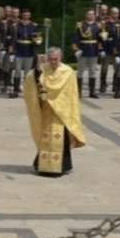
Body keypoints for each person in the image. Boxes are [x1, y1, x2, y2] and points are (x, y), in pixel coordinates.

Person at [24, 47, 86, 177]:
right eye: (51, 59)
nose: (53, 62)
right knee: (45, 137)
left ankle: (62, 166)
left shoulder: (67, 71)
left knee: (60, 139)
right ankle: (43, 166)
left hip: (61, 111)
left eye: (55, 59)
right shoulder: (43, 69)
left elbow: (71, 94)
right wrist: (37, 69)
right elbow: (32, 80)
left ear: (60, 58)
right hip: (46, 110)